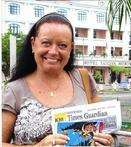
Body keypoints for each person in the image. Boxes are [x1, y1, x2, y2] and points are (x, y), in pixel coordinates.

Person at [2, 12, 113, 146]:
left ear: (71, 48)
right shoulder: (15, 89)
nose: (54, 51)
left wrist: (107, 141)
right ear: (33, 44)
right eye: (46, 43)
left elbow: (106, 130)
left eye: (62, 45)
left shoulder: (84, 79)